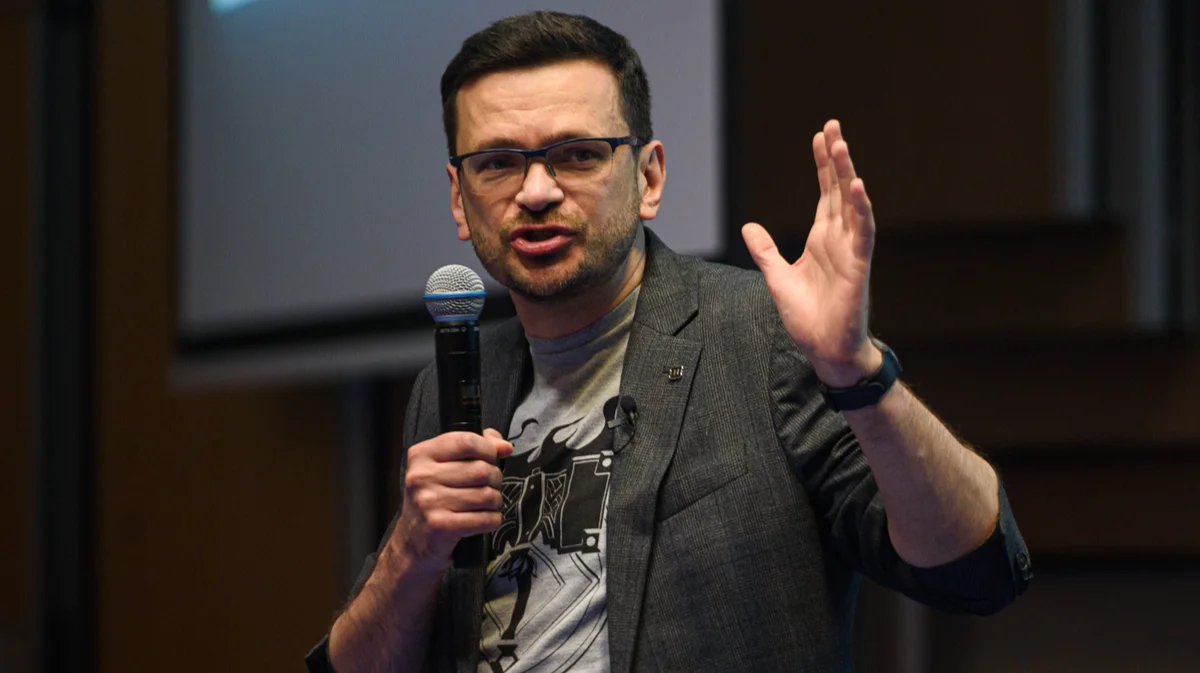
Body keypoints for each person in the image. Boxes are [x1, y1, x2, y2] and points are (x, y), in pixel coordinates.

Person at [307, 10, 1031, 673]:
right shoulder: (455, 382)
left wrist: (858, 371)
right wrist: (410, 551)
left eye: (578, 155)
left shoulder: (757, 335)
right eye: (497, 163)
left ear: (649, 177)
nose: (535, 191)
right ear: (460, 198)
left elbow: (976, 569)